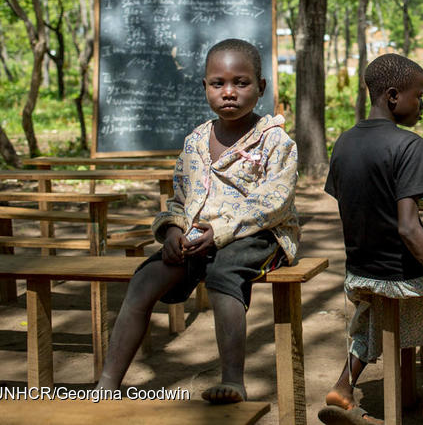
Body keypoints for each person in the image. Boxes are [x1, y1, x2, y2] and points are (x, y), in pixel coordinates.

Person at [96, 38, 299, 404]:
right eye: (217, 83)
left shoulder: (275, 141)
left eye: (241, 82)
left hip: (260, 235)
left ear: (262, 87)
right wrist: (173, 230)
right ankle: (108, 382)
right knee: (144, 279)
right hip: (197, 238)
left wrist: (220, 232)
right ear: (204, 87)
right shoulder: (195, 142)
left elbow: (275, 203)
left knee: (224, 273)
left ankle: (233, 379)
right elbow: (179, 198)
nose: (229, 92)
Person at [320, 53, 423, 425]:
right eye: (418, 96)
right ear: (393, 96)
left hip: (360, 271)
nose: (422, 105)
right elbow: (409, 229)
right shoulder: (408, 145)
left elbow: (353, 203)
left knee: (376, 308)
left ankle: (344, 386)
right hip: (398, 274)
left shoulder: (343, 142)